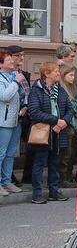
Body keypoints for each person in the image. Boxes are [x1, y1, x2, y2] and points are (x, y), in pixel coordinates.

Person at [28, 62, 73, 204]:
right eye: (55, 71)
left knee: (55, 162)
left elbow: (70, 109)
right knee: (39, 163)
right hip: (43, 132)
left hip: (58, 132)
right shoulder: (36, 90)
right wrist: (55, 120)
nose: (58, 73)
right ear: (46, 74)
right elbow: (34, 112)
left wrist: (64, 122)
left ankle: (54, 191)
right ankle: (37, 194)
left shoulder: (60, 90)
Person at [0, 49, 24, 196]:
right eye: (8, 60)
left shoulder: (11, 76)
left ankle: (6, 181)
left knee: (10, 154)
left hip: (15, 120)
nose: (12, 62)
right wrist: (16, 82)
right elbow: (4, 96)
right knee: (1, 153)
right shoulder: (2, 78)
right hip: (3, 122)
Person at [6, 45, 31, 185]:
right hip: (11, 114)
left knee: (30, 146)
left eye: (23, 55)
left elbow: (28, 93)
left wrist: (26, 106)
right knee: (9, 149)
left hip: (25, 114)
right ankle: (8, 176)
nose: (21, 58)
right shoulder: (7, 74)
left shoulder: (24, 74)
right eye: (18, 55)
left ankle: (28, 176)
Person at [58, 63, 77, 187]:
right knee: (66, 152)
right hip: (66, 124)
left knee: (72, 151)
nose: (73, 77)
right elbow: (69, 108)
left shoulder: (71, 88)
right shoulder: (62, 90)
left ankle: (67, 176)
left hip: (73, 124)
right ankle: (63, 178)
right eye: (71, 75)